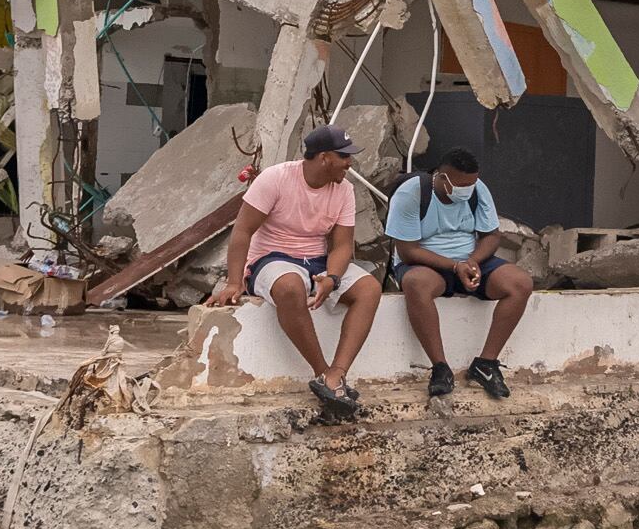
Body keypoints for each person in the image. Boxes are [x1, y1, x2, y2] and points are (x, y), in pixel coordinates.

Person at [205, 122, 383, 415]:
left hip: (317, 260)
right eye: (344, 156)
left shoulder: (345, 189)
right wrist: (235, 281)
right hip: (272, 258)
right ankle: (322, 372)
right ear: (324, 157)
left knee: (369, 288)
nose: (349, 163)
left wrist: (332, 278)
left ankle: (336, 374)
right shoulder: (275, 179)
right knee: (289, 287)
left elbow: (341, 246)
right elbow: (242, 231)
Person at [385, 146, 529, 399]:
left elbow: (492, 235)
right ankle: (440, 367)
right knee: (416, 284)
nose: (468, 189)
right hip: (426, 264)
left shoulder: (477, 189)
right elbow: (407, 251)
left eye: (472, 183)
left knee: (520, 283)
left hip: (470, 261)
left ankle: (486, 364)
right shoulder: (411, 193)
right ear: (442, 178)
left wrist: (472, 261)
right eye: (462, 184)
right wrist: (454, 266)